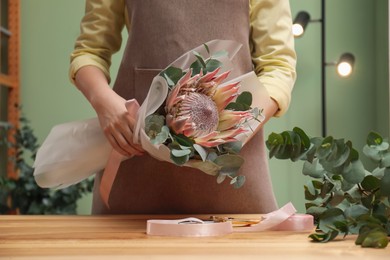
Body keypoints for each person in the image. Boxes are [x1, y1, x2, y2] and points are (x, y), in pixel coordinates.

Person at [69, 0, 297, 214]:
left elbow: (279, 66)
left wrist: (234, 131)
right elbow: (90, 52)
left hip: (229, 161)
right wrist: (104, 102)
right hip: (135, 154)